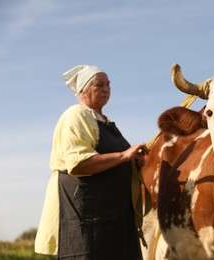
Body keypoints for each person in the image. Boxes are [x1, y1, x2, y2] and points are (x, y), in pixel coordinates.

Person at [35, 65, 147, 259]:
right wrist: (123, 156)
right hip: (87, 213)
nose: (106, 89)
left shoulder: (104, 120)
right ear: (82, 92)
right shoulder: (76, 115)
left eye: (108, 84)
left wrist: (134, 161)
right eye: (99, 85)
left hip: (113, 214)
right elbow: (78, 163)